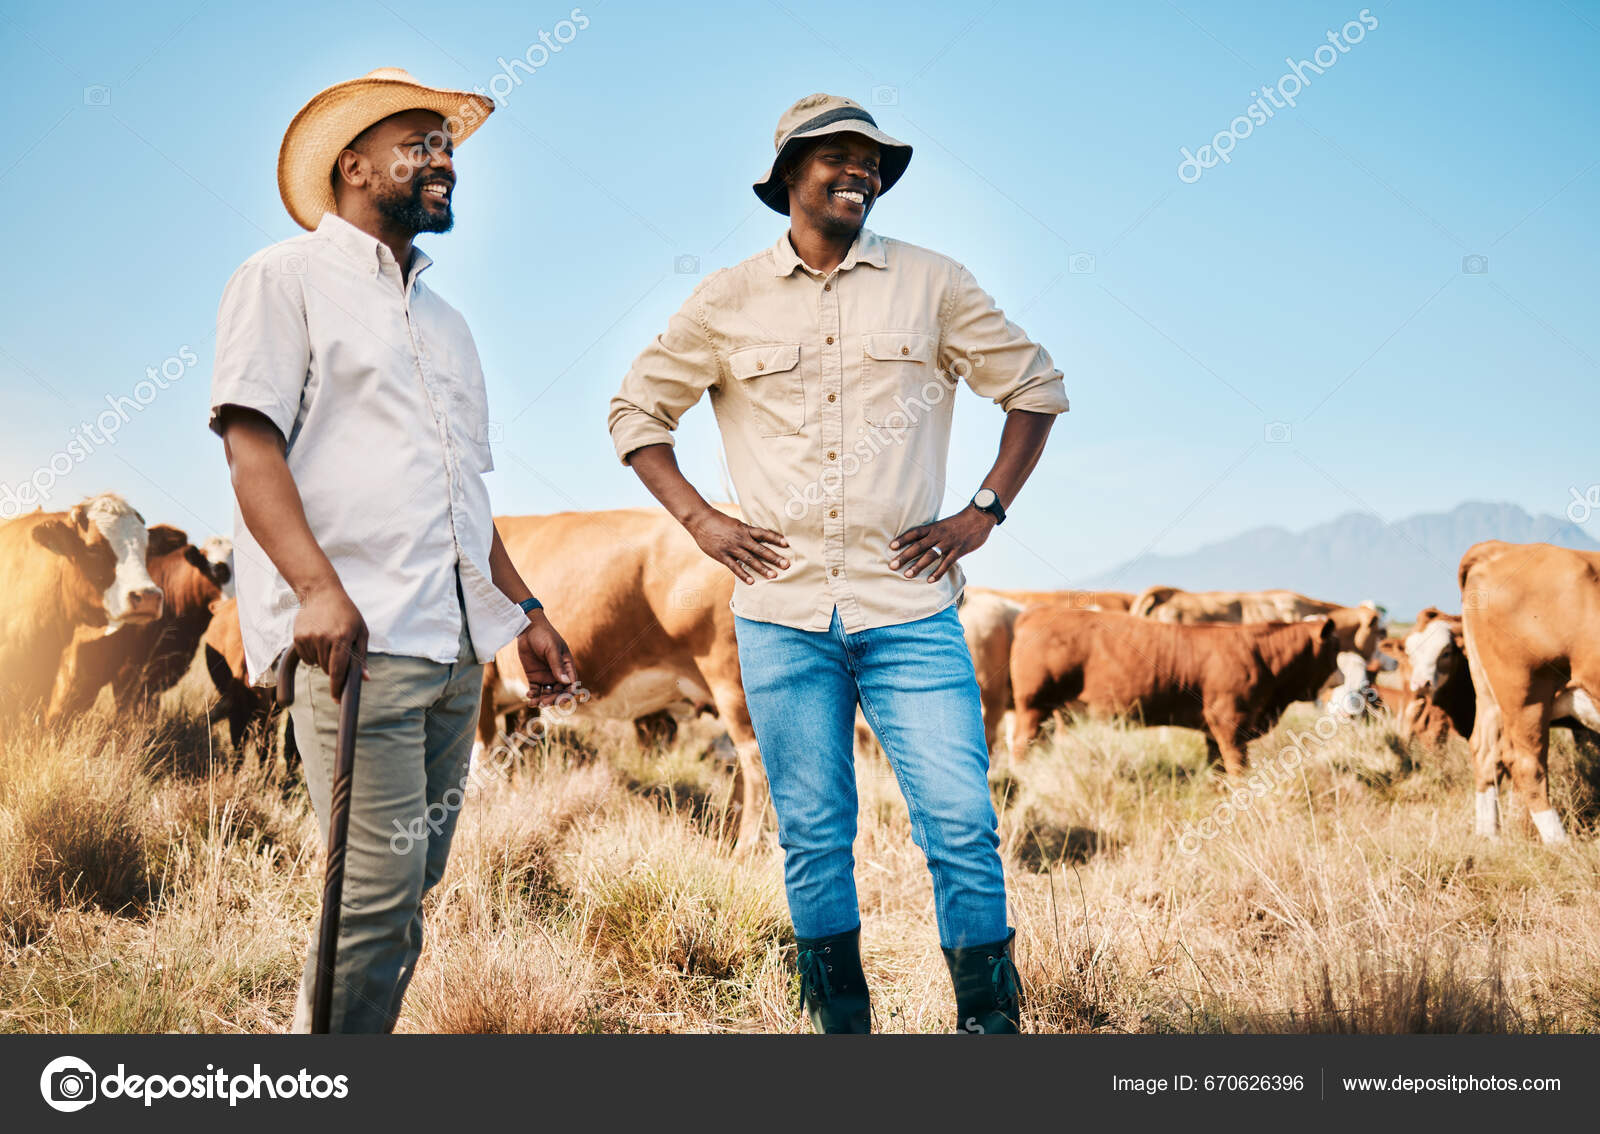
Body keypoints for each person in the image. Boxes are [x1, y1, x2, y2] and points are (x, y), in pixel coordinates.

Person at [608, 93, 1069, 1033]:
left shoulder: (932, 283)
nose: (862, 171)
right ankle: (841, 1031)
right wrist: (701, 522)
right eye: (840, 156)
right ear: (789, 174)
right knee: (814, 837)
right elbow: (635, 413)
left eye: (874, 161)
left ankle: (989, 1027)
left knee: (961, 826)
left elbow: (1036, 386)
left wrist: (983, 511)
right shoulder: (727, 299)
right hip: (780, 619)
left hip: (911, 609)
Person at [209, 68, 578, 1032]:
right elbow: (251, 448)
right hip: (357, 647)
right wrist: (316, 591)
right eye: (420, 144)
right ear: (354, 165)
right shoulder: (282, 279)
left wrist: (524, 613)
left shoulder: (447, 325)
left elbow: (464, 499)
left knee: (407, 894)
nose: (444, 160)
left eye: (446, 145)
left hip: (454, 655)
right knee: (369, 906)